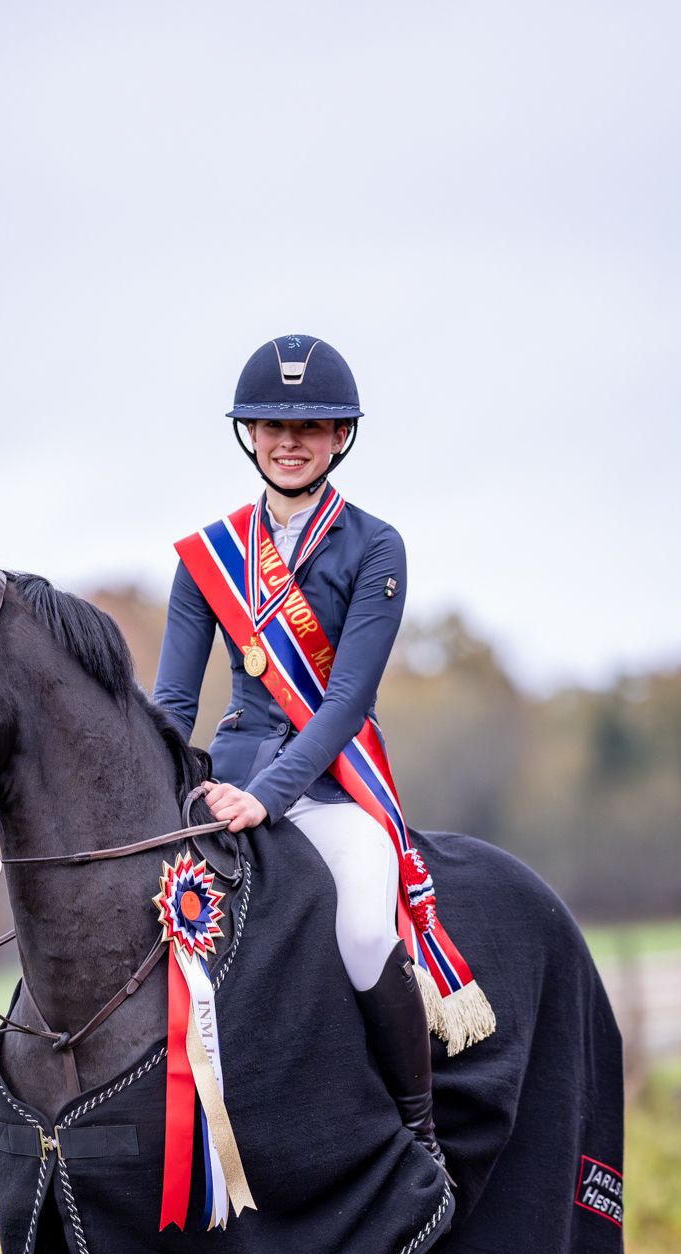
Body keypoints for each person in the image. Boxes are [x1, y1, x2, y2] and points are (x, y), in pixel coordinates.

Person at [153, 334, 491, 1175]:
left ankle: (416, 1141)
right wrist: (156, 792)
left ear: (340, 435)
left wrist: (267, 796)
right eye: (271, 425)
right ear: (249, 435)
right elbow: (172, 706)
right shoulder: (207, 560)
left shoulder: (375, 548)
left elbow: (344, 703)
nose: (289, 439)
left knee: (364, 927)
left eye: (311, 423)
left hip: (332, 789)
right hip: (227, 784)